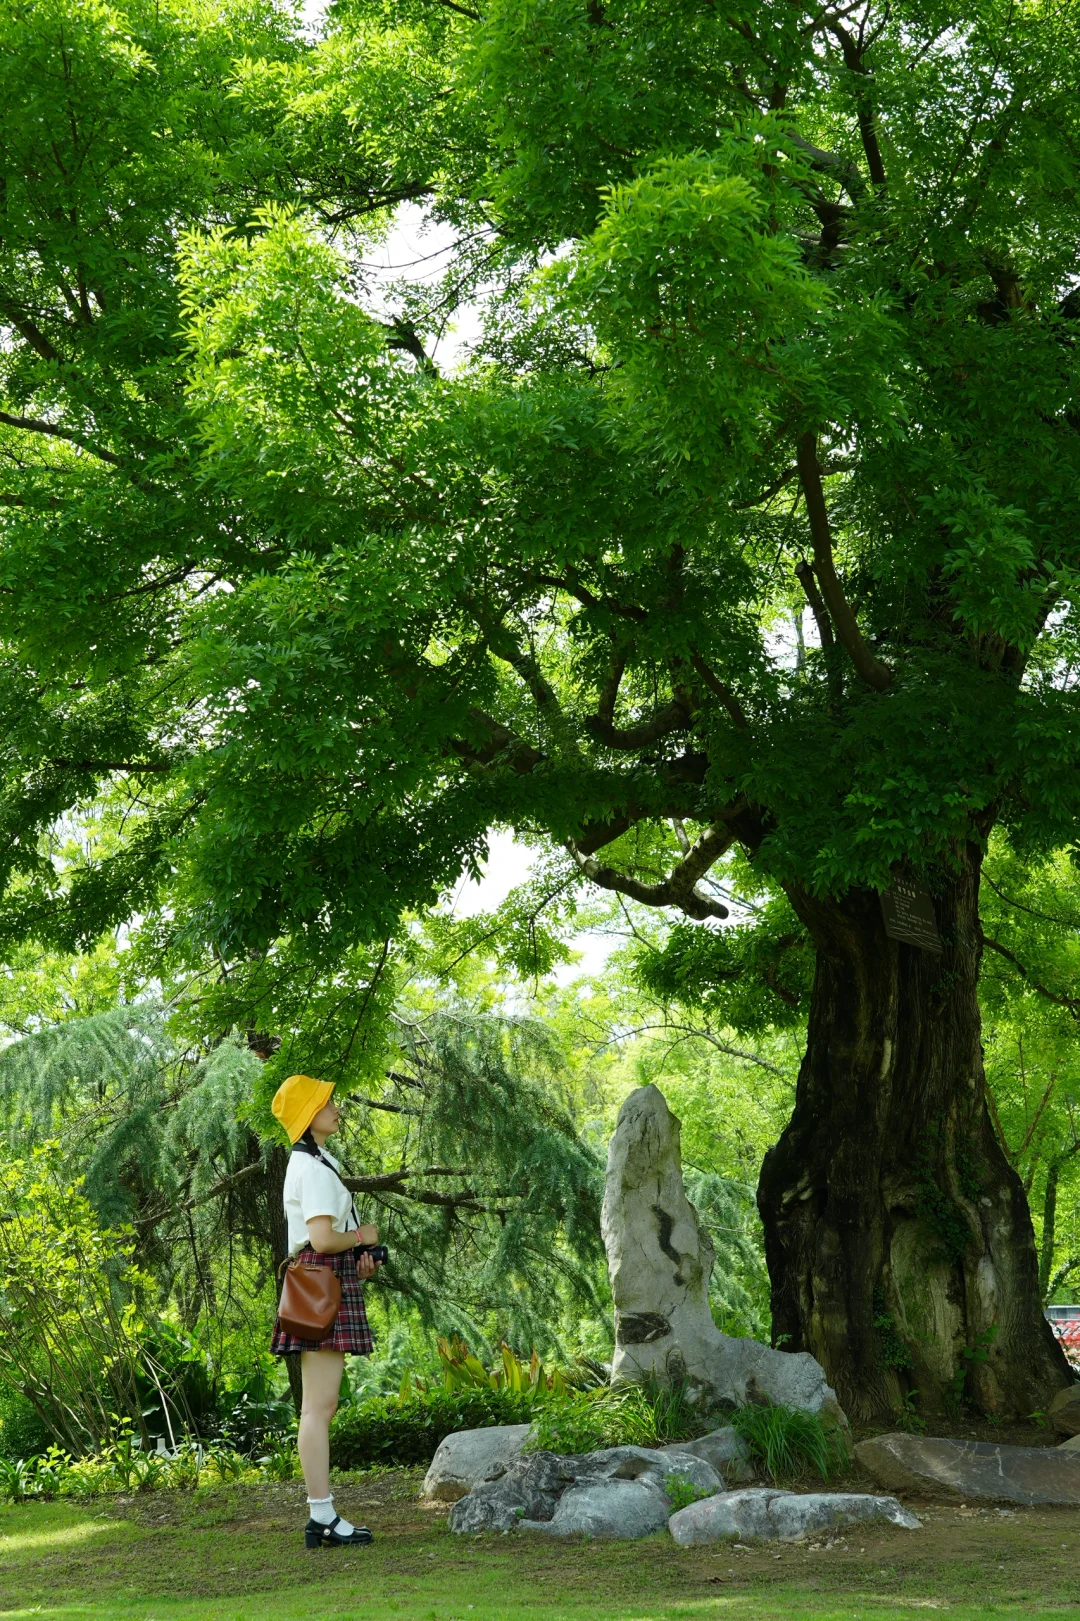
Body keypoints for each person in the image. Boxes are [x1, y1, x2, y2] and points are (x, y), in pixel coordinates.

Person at [270, 1072, 382, 1549]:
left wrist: (358, 1262)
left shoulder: (318, 1160)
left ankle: (323, 1515)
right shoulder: (313, 1168)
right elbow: (320, 1239)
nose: (336, 1108)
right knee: (317, 1407)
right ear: (307, 1117)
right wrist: (364, 1237)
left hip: (326, 1280)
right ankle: (321, 1516)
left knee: (322, 1405)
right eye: (327, 1103)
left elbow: (322, 1239)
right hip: (320, 1281)